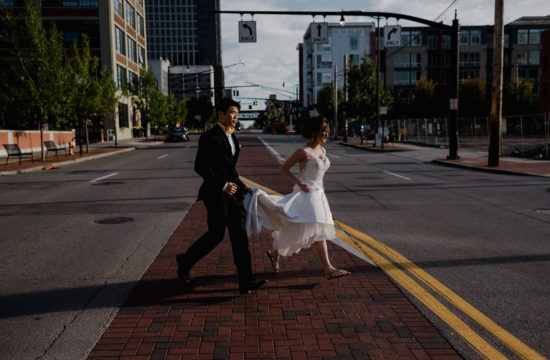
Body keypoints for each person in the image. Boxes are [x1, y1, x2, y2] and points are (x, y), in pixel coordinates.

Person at [176, 98, 267, 295]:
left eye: (237, 113)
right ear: (221, 114)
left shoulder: (233, 137)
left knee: (240, 237)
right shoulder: (209, 137)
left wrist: (244, 187)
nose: (236, 116)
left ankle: (247, 282)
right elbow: (200, 166)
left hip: (234, 194)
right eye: (232, 112)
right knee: (215, 235)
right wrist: (223, 185)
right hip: (216, 194)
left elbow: (230, 169)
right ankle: (185, 262)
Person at [245, 116, 350, 279]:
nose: (326, 134)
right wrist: (299, 184)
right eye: (324, 131)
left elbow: (319, 173)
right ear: (314, 131)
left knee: (299, 231)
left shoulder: (323, 150)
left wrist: (322, 185)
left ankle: (274, 252)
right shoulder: (303, 152)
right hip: (307, 195)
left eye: (328, 131)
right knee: (319, 230)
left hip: (319, 195)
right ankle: (328, 269)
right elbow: (284, 169)